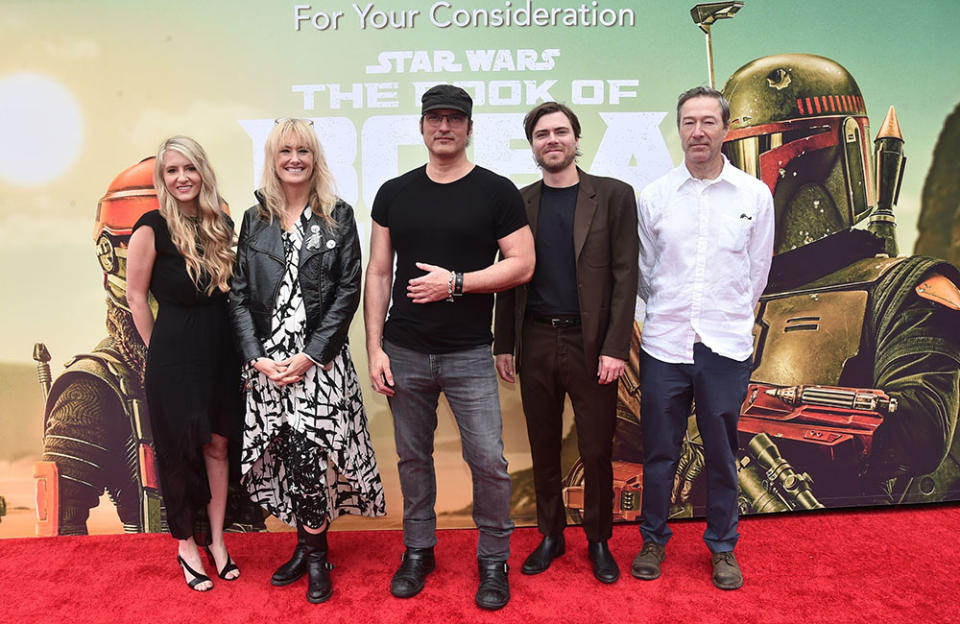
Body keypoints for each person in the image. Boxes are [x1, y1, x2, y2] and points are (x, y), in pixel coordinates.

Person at [364, 84, 535, 610]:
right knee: (413, 458)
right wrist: (374, 348)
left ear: (469, 128)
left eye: (454, 119)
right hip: (404, 350)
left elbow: (522, 264)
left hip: (467, 354)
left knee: (488, 460)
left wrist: (456, 283)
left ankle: (493, 559)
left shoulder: (496, 191)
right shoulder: (394, 192)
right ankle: (419, 551)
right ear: (421, 127)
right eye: (434, 118)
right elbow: (378, 270)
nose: (444, 127)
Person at [229, 118, 386, 604]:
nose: (294, 158)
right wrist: (256, 357)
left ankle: (316, 558)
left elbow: (347, 291)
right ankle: (306, 545)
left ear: (315, 158)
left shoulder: (338, 216)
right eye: (284, 151)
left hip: (318, 367)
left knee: (306, 456)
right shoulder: (254, 219)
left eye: (303, 150)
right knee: (286, 457)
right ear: (272, 159)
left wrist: (312, 355)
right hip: (268, 369)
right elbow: (237, 294)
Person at [630, 87, 774, 590]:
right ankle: (652, 539)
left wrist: (724, 316)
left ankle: (723, 547)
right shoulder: (654, 197)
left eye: (708, 122)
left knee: (721, 451)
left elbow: (757, 274)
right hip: (664, 344)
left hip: (725, 346)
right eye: (689, 122)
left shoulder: (755, 195)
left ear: (725, 130)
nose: (698, 132)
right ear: (679, 129)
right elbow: (646, 274)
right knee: (660, 451)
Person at [493, 102, 638, 583]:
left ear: (576, 139)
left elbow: (625, 275)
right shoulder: (519, 201)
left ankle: (598, 540)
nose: (551, 140)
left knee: (596, 448)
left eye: (560, 131)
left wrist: (616, 347)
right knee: (542, 444)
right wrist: (502, 344)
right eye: (541, 134)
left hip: (591, 342)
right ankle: (551, 535)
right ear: (532, 145)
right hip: (533, 338)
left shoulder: (614, 196)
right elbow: (507, 277)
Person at [127, 137, 244, 591]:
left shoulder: (222, 224)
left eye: (189, 168)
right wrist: (158, 349)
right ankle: (185, 546)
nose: (182, 178)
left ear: (203, 173)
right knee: (178, 453)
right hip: (173, 353)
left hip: (220, 350)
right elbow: (136, 296)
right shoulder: (151, 226)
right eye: (172, 170)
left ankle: (216, 540)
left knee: (218, 445)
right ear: (162, 178)